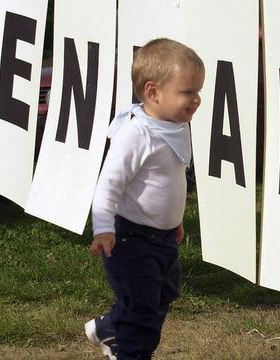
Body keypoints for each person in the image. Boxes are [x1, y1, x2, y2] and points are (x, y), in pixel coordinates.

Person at [85, 38, 205, 360]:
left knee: (165, 292)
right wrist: (104, 229)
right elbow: (109, 184)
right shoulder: (137, 134)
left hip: (164, 238)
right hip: (130, 238)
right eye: (188, 92)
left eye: (197, 91)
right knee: (142, 315)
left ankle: (110, 327)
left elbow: (168, 181)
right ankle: (130, 351)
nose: (196, 99)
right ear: (153, 92)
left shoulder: (173, 126)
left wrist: (175, 219)